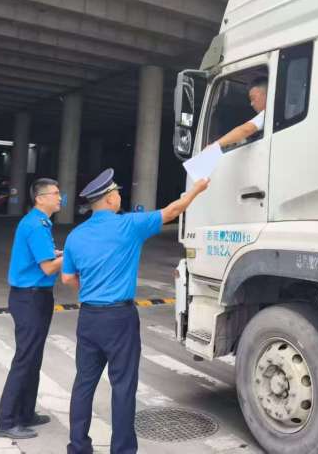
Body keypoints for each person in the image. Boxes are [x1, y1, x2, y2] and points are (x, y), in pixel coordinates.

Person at [62, 169, 209, 454]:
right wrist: (197, 189)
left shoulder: (75, 235)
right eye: (116, 191)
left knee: (83, 384)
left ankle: (78, 446)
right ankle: (122, 450)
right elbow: (173, 211)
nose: (119, 195)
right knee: (123, 386)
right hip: (120, 319)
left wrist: (91, 290)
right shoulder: (129, 225)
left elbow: (68, 278)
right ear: (108, 199)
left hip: (89, 317)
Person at [0, 178, 65, 440]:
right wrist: (72, 254)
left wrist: (57, 253)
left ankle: (25, 413)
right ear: (40, 198)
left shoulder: (39, 222)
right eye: (55, 193)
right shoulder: (36, 225)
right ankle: (6, 421)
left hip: (34, 297)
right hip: (30, 299)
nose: (60, 197)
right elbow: (47, 267)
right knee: (25, 359)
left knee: (33, 357)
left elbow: (44, 256)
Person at [216, 75, 268, 149]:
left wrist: (214, 146)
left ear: (267, 94)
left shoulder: (267, 114)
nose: (251, 104)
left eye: (253, 98)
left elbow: (245, 130)